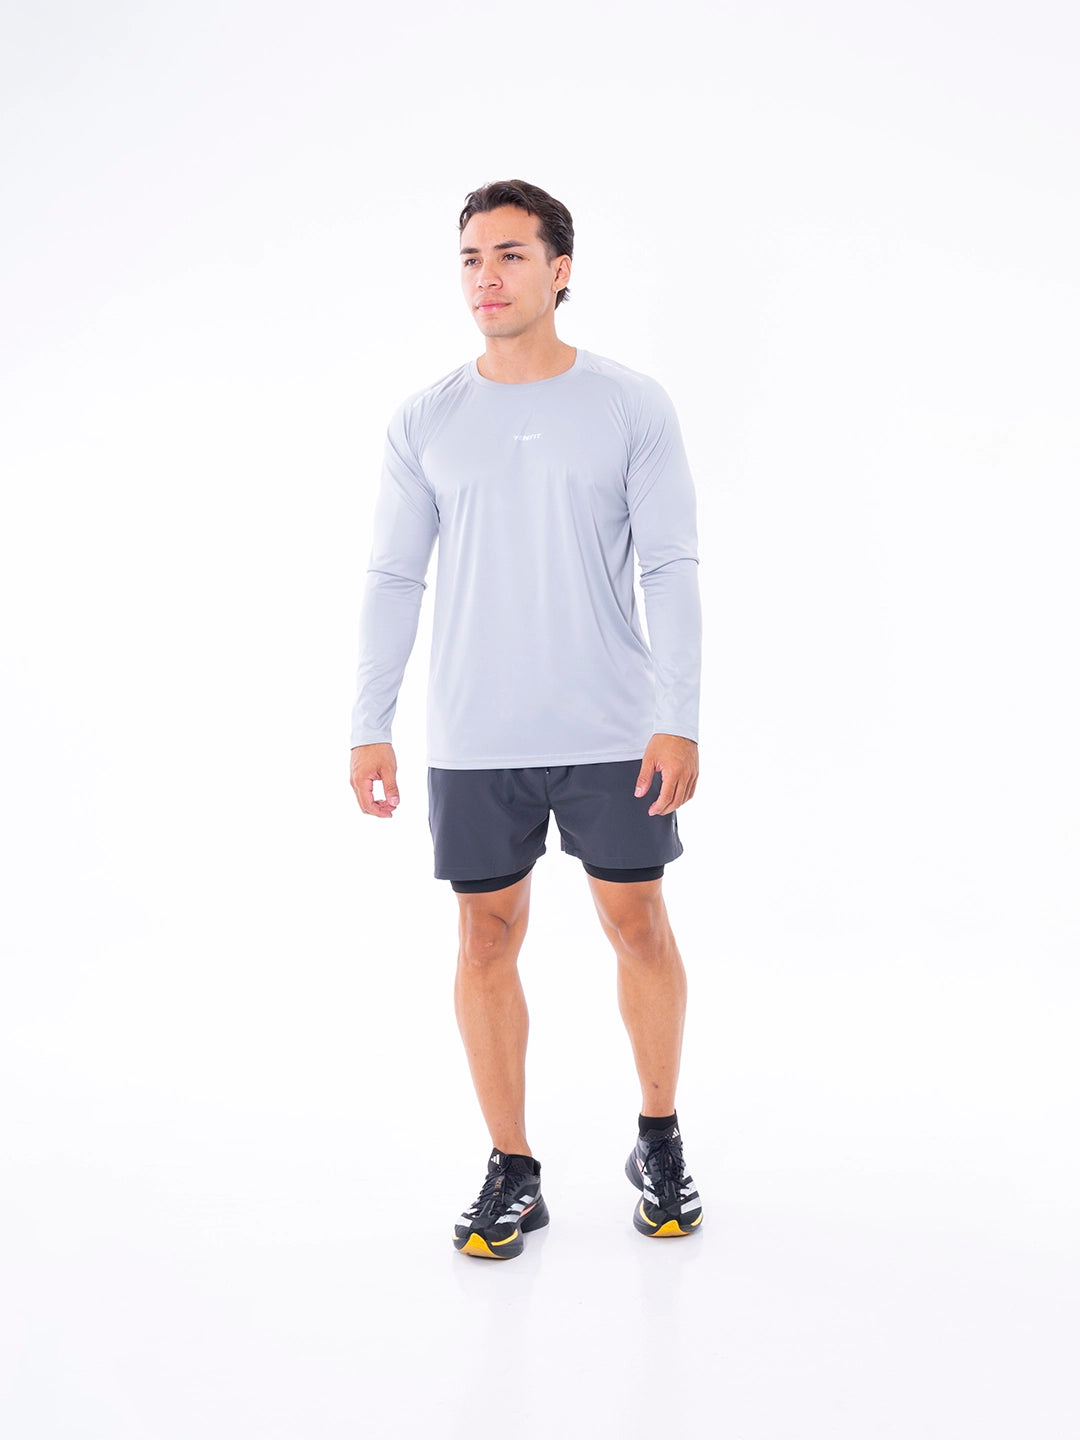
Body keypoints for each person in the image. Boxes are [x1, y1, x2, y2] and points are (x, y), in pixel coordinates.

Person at [349, 179, 703, 1260]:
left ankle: (658, 1137)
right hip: (477, 735)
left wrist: (679, 716)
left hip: (613, 728)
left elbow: (670, 564)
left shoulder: (630, 404)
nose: (486, 277)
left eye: (509, 254)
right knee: (484, 937)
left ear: (560, 269)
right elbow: (393, 576)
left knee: (637, 925)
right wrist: (370, 721)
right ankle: (514, 1166)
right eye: (470, 258)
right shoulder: (426, 420)